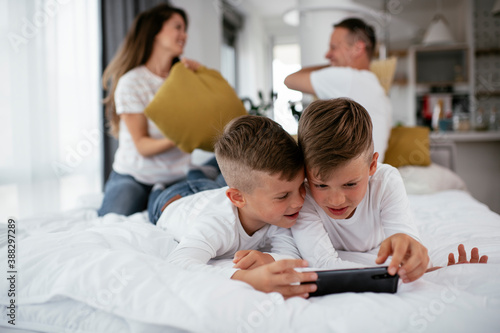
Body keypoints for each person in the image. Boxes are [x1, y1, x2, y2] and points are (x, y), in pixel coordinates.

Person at [149, 115, 318, 299]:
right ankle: (163, 185)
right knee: (176, 188)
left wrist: (270, 259)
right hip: (174, 200)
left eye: (302, 186)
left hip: (216, 193)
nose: (299, 202)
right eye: (283, 196)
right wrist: (247, 278)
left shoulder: (280, 213)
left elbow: (290, 254)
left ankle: (205, 170)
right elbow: (179, 262)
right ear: (238, 198)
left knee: (220, 181)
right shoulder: (217, 224)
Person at [292, 98, 429, 283]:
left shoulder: (386, 181)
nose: (336, 200)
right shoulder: (302, 194)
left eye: (350, 184)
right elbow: (323, 263)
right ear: (305, 172)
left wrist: (414, 259)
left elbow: (407, 243)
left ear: (372, 165)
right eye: (321, 185)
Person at [98, 4, 205, 217]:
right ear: (155, 31)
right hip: (134, 176)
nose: (184, 35)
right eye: (178, 27)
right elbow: (142, 146)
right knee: (110, 222)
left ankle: (159, 195)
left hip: (176, 177)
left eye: (185, 29)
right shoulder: (132, 82)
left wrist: (202, 75)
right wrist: (182, 138)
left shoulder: (185, 78)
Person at [284, 17, 391, 162]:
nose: (327, 55)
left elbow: (290, 80)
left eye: (334, 47)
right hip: (364, 175)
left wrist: (332, 66)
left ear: (358, 48)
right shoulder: (376, 88)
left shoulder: (347, 77)